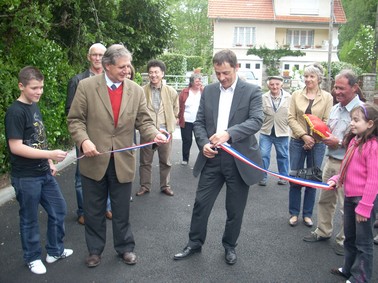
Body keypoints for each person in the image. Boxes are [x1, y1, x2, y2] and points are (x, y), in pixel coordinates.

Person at [67, 44, 168, 268]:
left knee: (121, 209)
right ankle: (94, 251)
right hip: (94, 160)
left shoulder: (135, 90)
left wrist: (155, 134)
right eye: (121, 66)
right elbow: (75, 120)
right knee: (94, 210)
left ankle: (125, 248)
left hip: (122, 161)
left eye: (128, 66)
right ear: (107, 66)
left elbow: (144, 121)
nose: (126, 70)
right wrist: (84, 141)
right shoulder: (85, 86)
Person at [173, 49, 264, 265]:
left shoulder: (252, 91)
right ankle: (194, 243)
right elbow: (200, 122)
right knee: (201, 204)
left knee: (234, 209)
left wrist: (229, 133)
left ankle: (229, 246)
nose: (222, 78)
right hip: (212, 159)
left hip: (238, 160)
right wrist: (204, 143)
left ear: (236, 67)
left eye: (226, 73)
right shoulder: (210, 91)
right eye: (217, 73)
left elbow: (256, 120)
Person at [5, 66, 73, 274]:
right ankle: (32, 257)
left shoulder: (34, 106)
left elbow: (38, 139)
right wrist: (50, 155)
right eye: (34, 88)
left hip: (43, 172)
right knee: (29, 218)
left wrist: (50, 162)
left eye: (41, 87)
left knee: (58, 209)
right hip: (25, 177)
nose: (39, 92)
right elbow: (16, 147)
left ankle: (54, 250)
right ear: (21, 86)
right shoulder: (15, 112)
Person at [303, 70, 363, 256]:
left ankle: (345, 240)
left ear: (354, 87)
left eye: (341, 88)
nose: (337, 91)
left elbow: (364, 140)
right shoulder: (336, 107)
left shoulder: (362, 111)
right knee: (325, 200)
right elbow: (330, 131)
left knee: (347, 205)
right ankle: (323, 231)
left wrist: (338, 142)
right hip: (330, 160)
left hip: (349, 163)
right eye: (335, 87)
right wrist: (319, 133)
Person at [328, 103, 378, 283]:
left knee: (363, 243)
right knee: (350, 237)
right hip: (350, 196)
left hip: (363, 201)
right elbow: (347, 165)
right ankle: (348, 268)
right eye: (351, 119)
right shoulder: (354, 141)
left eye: (356, 120)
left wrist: (365, 207)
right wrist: (337, 178)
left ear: (370, 123)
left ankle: (361, 277)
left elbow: (374, 179)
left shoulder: (373, 147)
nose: (351, 123)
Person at [66, 43, 112, 225]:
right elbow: (71, 111)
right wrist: (82, 138)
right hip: (85, 136)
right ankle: (83, 210)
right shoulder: (77, 81)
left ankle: (106, 207)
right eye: (95, 54)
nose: (98, 58)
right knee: (81, 174)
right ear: (88, 57)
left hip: (107, 136)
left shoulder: (111, 80)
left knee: (107, 171)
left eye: (101, 54)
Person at [287, 63, 333, 227]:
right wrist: (304, 136)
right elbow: (291, 118)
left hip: (318, 143)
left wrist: (313, 138)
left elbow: (327, 121)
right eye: (306, 76)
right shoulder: (295, 95)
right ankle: (293, 213)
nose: (308, 79)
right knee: (295, 178)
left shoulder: (327, 97)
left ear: (319, 79)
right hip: (297, 142)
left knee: (313, 178)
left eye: (312, 76)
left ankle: (307, 214)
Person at [136, 59, 179, 197]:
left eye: (156, 72)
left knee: (165, 161)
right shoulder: (141, 91)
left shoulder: (171, 92)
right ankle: (145, 186)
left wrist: (169, 126)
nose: (153, 75)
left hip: (165, 132)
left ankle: (165, 185)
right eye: (151, 72)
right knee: (145, 161)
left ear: (162, 74)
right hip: (148, 132)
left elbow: (175, 111)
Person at [258, 75, 291, 186]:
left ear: (281, 85)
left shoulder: (289, 97)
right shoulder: (263, 97)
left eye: (277, 84)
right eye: (272, 84)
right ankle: (262, 177)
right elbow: (259, 113)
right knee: (263, 155)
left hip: (282, 132)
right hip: (266, 131)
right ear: (268, 85)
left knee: (283, 155)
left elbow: (293, 115)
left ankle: (283, 177)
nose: (274, 87)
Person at [178, 73, 203, 165]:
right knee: (187, 140)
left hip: (199, 121)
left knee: (201, 140)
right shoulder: (184, 92)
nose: (199, 83)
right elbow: (179, 105)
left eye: (200, 81)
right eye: (197, 81)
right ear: (192, 82)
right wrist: (177, 117)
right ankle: (185, 159)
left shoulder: (203, 91)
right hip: (186, 120)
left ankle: (204, 159)